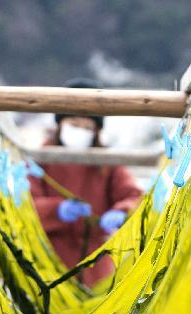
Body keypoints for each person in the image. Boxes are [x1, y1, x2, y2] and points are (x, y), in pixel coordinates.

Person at [29, 78, 144, 288]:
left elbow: (134, 196)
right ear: (60, 124)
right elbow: (25, 206)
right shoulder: (39, 159)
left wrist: (122, 212)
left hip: (97, 265)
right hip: (48, 262)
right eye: (74, 124)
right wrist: (56, 210)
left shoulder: (107, 163)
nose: (79, 131)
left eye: (87, 127)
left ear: (96, 130)